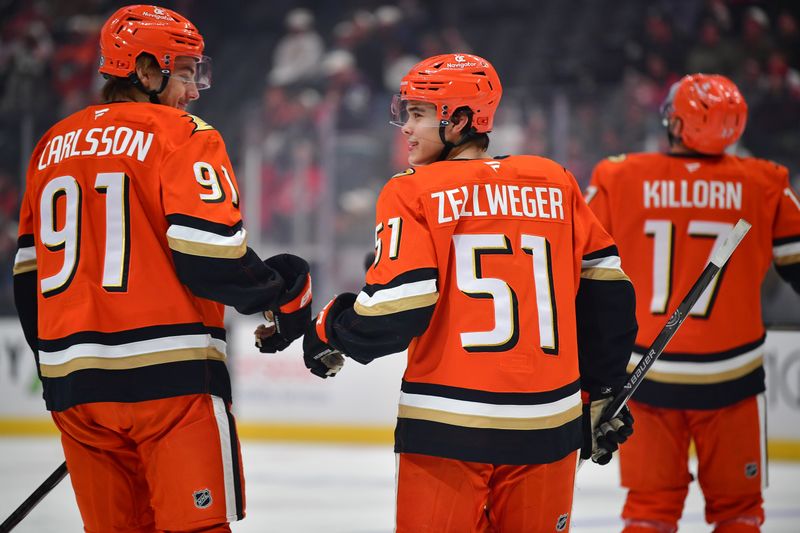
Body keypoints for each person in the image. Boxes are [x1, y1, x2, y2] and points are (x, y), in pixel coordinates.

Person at [301, 53, 637, 532]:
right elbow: (608, 293)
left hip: (448, 426)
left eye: (417, 114)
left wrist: (331, 327)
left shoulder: (412, 190)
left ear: (459, 120)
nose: (405, 127)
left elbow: (394, 313)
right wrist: (603, 388)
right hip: (548, 426)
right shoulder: (555, 181)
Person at [12, 5, 311, 532]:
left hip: (74, 389)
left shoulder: (48, 148)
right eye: (187, 72)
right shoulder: (183, 134)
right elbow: (210, 255)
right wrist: (278, 294)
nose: (194, 89)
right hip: (168, 384)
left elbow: (27, 279)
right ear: (147, 70)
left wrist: (67, 382)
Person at [586, 73, 800, 533]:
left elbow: (577, 272)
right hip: (733, 382)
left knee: (648, 513)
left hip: (645, 380)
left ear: (679, 123)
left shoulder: (618, 175)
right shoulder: (766, 183)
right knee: (739, 513)